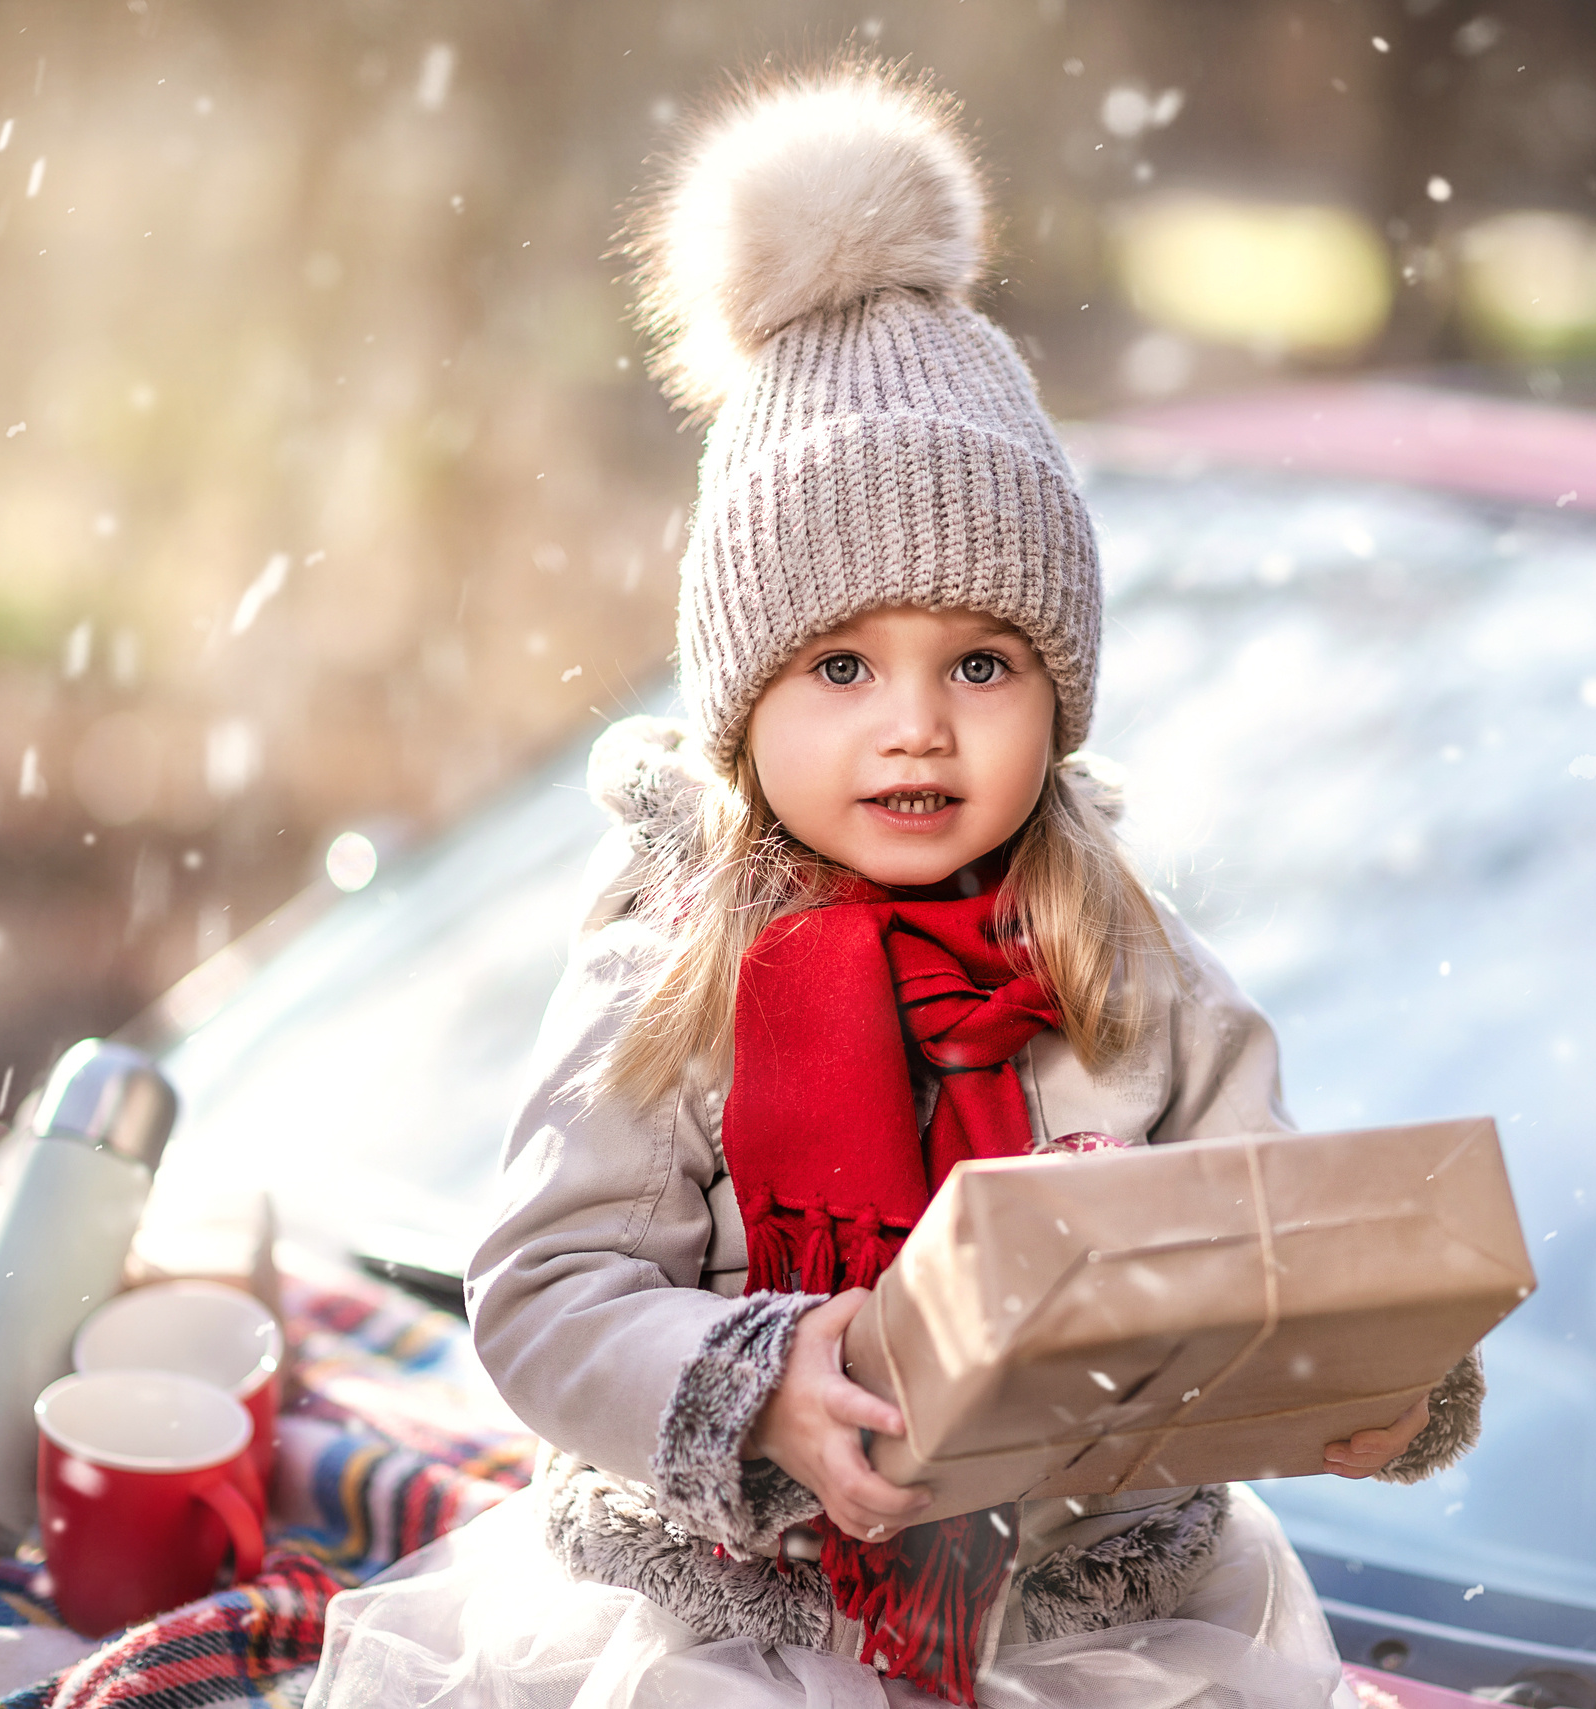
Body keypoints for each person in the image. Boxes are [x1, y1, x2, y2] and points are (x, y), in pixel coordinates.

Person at [305, 62, 1483, 1709]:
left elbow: (1260, 1237)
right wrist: (760, 1378)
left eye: (983, 663)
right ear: (742, 695)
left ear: (1058, 689)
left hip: (1086, 1636)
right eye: (844, 663)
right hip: (737, 1631)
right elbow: (546, 1294)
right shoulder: (679, 956)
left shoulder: (1122, 958)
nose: (917, 724)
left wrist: (1364, 1371)